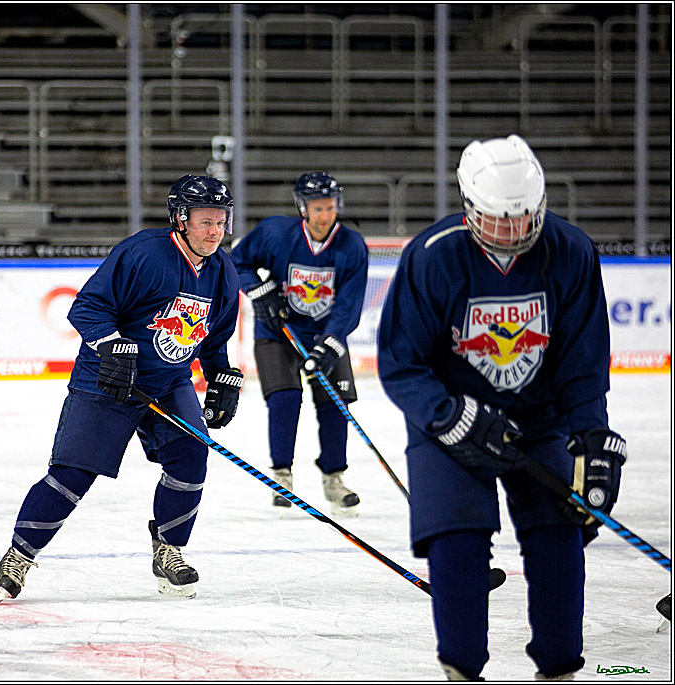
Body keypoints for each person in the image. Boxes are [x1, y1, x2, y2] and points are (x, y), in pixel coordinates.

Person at [377, 135, 624, 680]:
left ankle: (559, 668)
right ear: (469, 207)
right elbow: (400, 361)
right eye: (497, 220)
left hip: (539, 420)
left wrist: (592, 437)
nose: (513, 232)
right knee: (457, 542)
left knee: (559, 534)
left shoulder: (571, 250)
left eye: (523, 218)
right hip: (451, 421)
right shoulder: (432, 255)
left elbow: (583, 362)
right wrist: (448, 416)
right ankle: (462, 670)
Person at [0, 175, 243, 604]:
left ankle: (169, 549)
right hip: (107, 381)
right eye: (205, 222)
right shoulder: (144, 253)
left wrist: (221, 376)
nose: (215, 232)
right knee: (73, 475)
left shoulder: (222, 271)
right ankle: (18, 557)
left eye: (220, 221)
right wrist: (111, 344)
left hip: (168, 383)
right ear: (181, 219)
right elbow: (88, 306)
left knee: (191, 457)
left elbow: (213, 339)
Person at [230, 172, 368, 516]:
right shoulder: (276, 232)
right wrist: (259, 291)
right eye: (318, 208)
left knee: (335, 403)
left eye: (330, 207)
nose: (325, 215)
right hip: (278, 331)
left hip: (324, 333)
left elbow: (349, 304)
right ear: (303, 207)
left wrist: (329, 345)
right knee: (285, 398)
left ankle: (334, 478)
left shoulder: (352, 245)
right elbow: (237, 260)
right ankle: (282, 475)